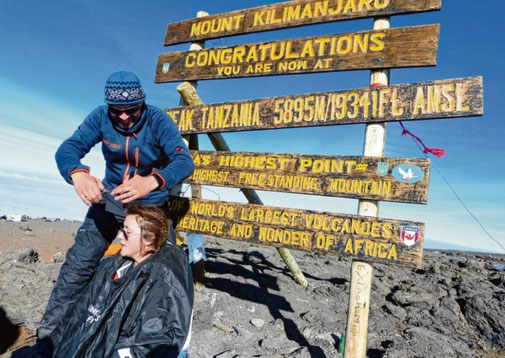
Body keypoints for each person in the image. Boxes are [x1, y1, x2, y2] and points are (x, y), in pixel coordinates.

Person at [37, 71, 195, 343]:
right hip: (109, 201)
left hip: (151, 206)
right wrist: (77, 173)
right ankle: (48, 339)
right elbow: (68, 148)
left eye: (131, 110)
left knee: (163, 272)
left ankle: (153, 341)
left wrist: (153, 181)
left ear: (142, 103)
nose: (123, 117)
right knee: (78, 265)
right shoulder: (100, 116)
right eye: (116, 111)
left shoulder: (158, 120)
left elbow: (184, 161)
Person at [49, 204, 194, 357]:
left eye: (127, 232)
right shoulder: (118, 266)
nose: (119, 236)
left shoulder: (162, 282)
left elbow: (151, 340)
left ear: (149, 238)